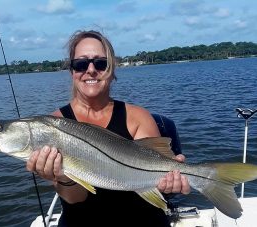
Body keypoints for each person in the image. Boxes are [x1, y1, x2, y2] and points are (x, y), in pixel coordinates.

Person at [26, 30, 190, 226]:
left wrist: (170, 184)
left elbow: (158, 180)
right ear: (72, 72)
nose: (91, 70)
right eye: (81, 64)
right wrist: (62, 177)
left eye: (101, 63)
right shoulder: (52, 125)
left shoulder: (138, 117)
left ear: (112, 70)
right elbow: (75, 198)